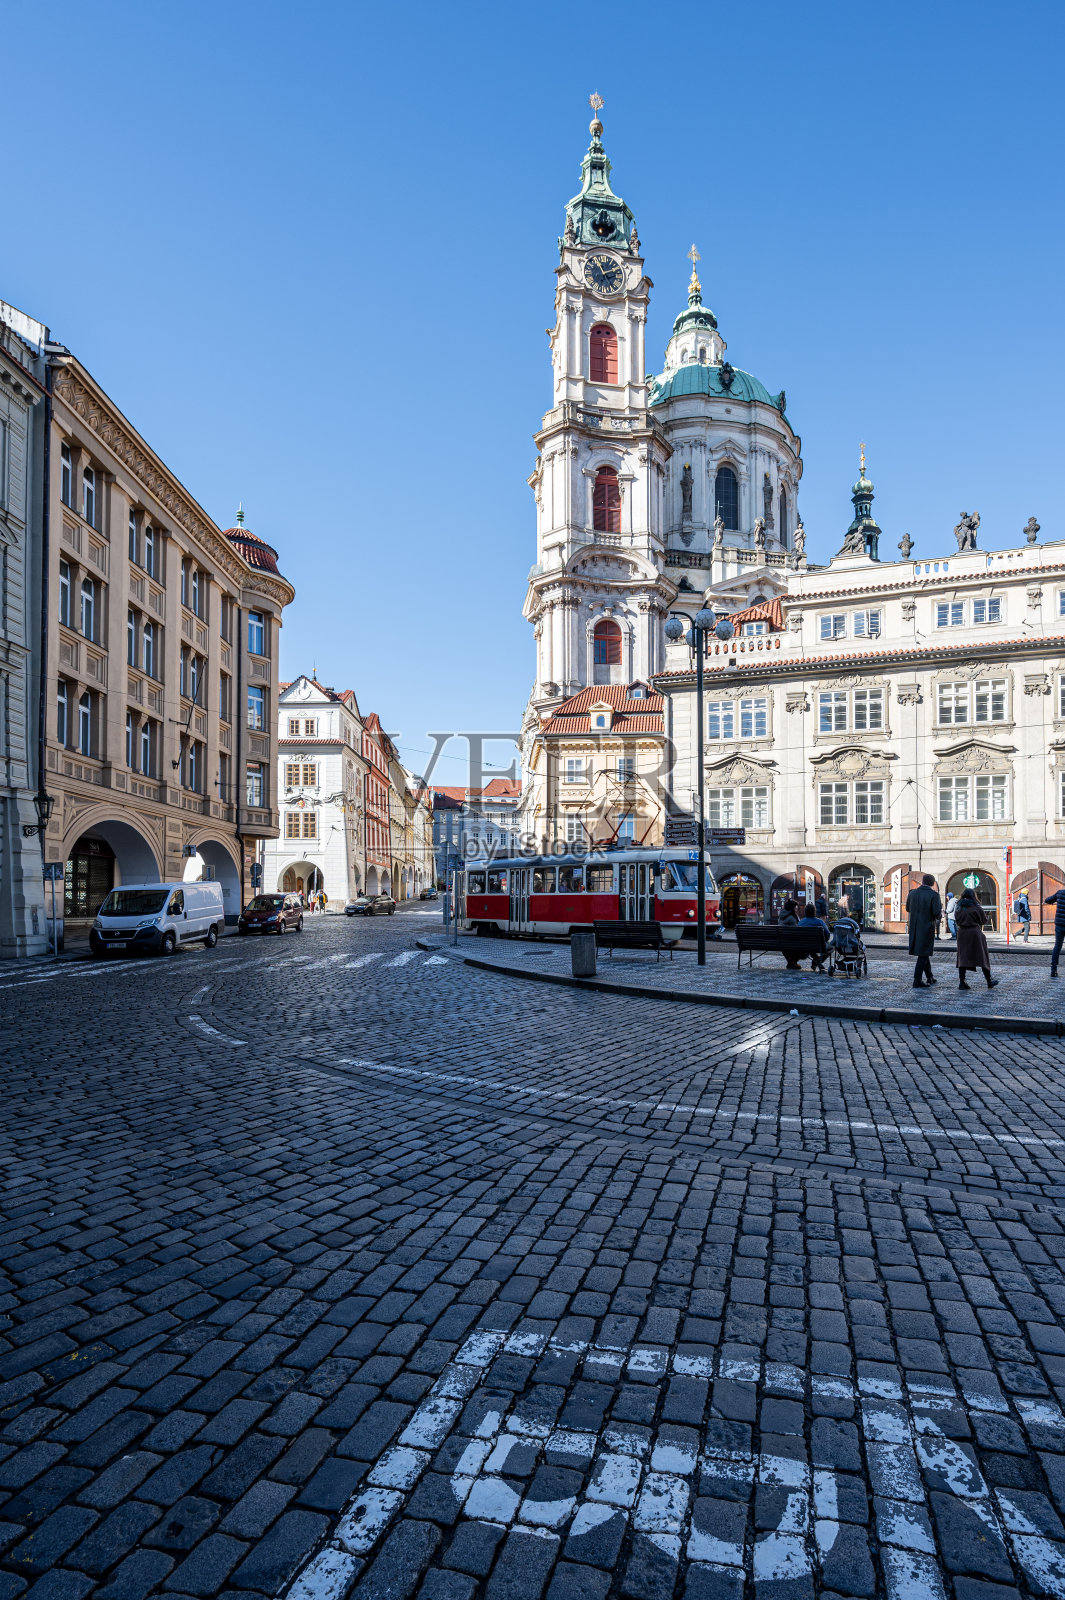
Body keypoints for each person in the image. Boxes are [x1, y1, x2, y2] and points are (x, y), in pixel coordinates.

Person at [955, 887, 998, 990]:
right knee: (982, 956)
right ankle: (989, 980)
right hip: (974, 933)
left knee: (962, 957)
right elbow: (983, 921)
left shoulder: (958, 907)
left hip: (962, 933)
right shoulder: (977, 907)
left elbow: (956, 920)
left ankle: (962, 982)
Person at [906, 873, 941, 988]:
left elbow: (907, 908)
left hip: (914, 928)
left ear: (923, 881)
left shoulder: (912, 893)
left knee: (923, 953)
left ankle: (930, 977)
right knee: (923, 954)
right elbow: (936, 913)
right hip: (926, 927)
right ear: (932, 883)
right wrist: (940, 915)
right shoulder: (934, 895)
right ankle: (917, 979)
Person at [800, 903, 830, 972]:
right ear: (814, 911)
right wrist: (824, 940)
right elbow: (827, 935)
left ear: (805, 912)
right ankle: (817, 961)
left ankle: (816, 960)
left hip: (804, 946)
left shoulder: (801, 922)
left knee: (810, 946)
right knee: (832, 947)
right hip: (818, 945)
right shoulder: (820, 922)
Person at [1046, 883, 1065, 975]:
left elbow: (1047, 900)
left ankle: (1053, 969)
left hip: (1059, 925)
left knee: (1057, 946)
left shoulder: (1060, 893)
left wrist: (1055, 901)